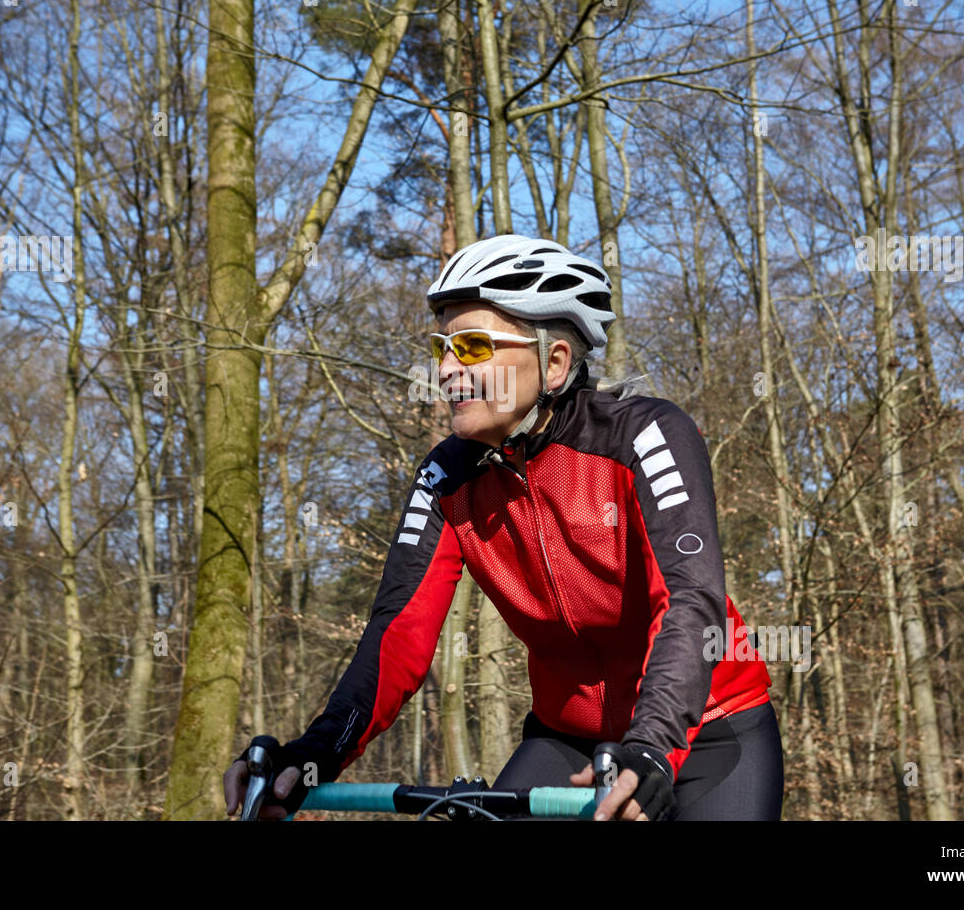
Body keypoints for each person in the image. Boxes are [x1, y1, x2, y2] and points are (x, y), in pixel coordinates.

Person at [225, 234, 784, 821]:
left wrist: (652, 747)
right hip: (565, 738)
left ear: (556, 361)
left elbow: (691, 598)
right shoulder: (447, 476)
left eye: (471, 346)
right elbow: (399, 634)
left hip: (707, 730)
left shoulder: (643, 436)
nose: (445, 368)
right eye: (442, 347)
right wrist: (314, 756)